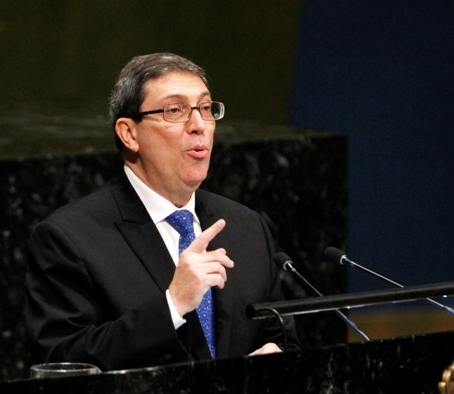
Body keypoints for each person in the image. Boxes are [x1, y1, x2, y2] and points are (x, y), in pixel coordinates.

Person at [25, 52, 297, 371]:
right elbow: (63, 363)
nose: (199, 125)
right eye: (175, 110)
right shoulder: (70, 238)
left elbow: (282, 339)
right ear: (129, 133)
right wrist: (173, 305)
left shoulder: (245, 227)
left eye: (205, 109)